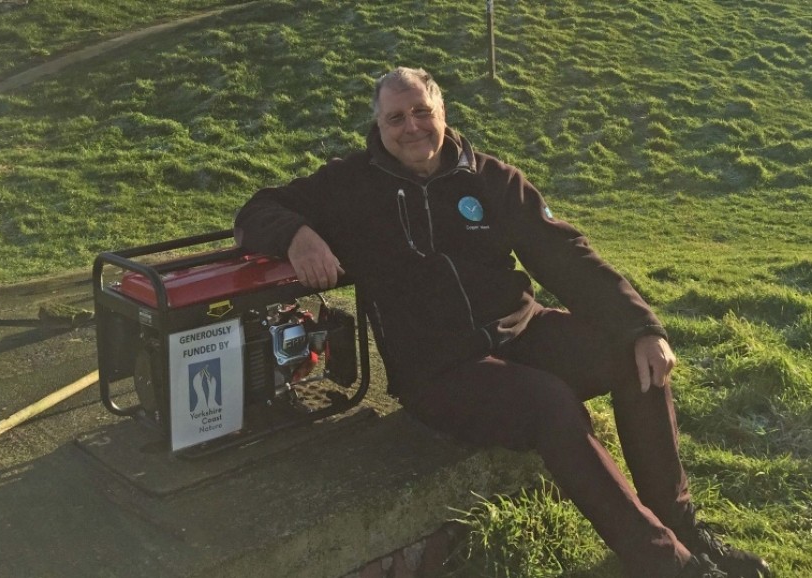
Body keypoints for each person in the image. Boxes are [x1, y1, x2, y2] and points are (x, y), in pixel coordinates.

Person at [233, 66, 771, 578]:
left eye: (421, 112)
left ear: (442, 111)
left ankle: (682, 527)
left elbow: (566, 255)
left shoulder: (489, 178)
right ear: (378, 125)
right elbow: (256, 209)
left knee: (633, 357)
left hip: (520, 331)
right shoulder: (349, 184)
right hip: (438, 368)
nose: (411, 127)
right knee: (548, 403)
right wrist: (298, 236)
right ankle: (664, 563)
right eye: (395, 118)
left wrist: (642, 326)